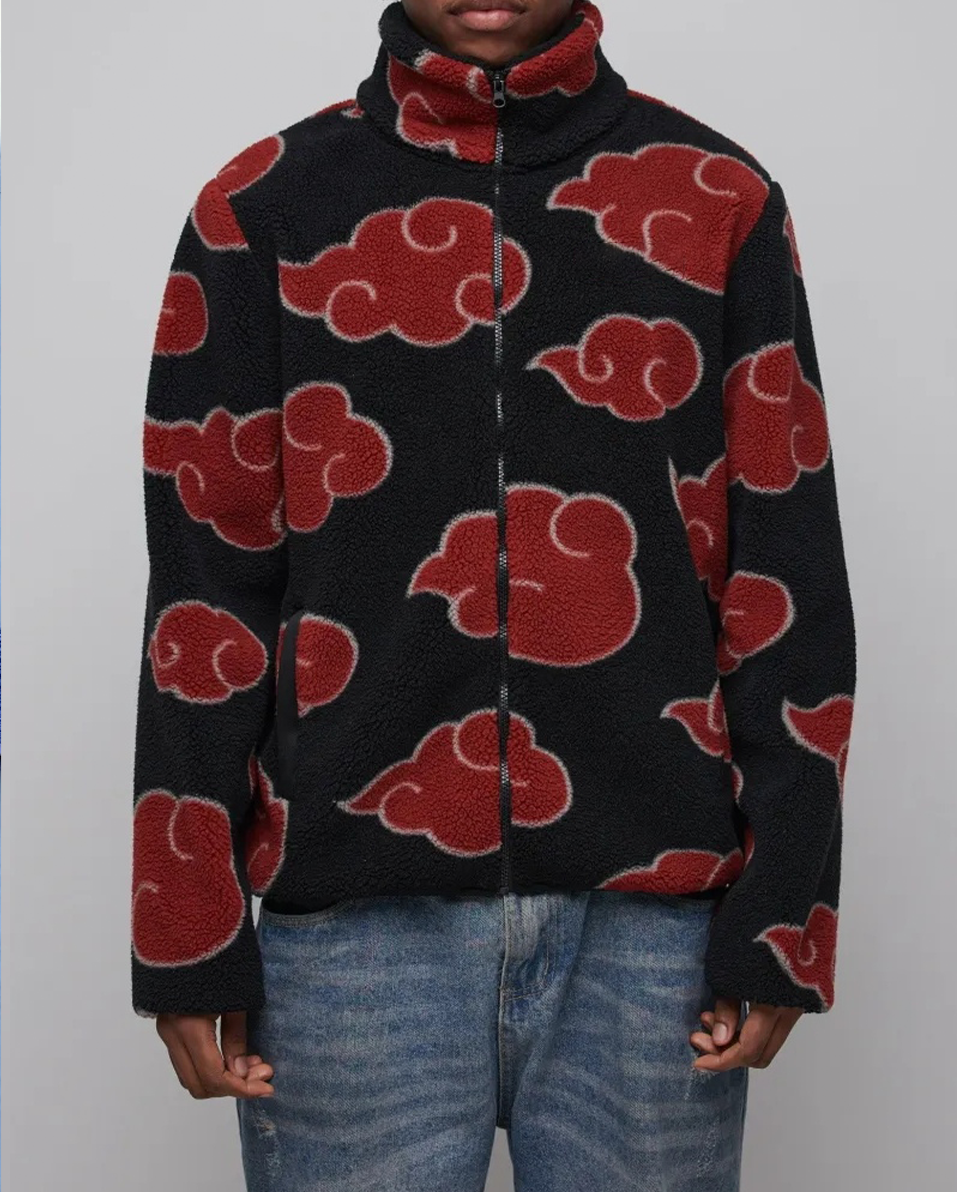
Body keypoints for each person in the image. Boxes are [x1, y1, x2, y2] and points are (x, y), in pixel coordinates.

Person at [130, 1, 857, 1188]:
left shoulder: (718, 201)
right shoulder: (263, 208)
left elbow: (788, 572)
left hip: (653, 933)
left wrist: (786, 913)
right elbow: (204, 596)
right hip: (351, 930)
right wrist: (185, 927)